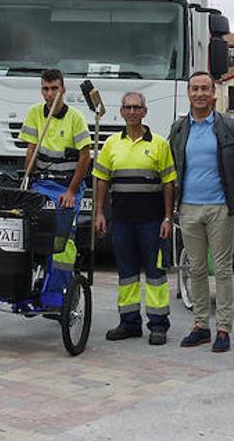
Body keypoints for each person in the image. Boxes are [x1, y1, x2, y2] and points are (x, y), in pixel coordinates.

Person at [168, 71, 234, 353]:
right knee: (197, 269)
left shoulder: (229, 126)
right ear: (189, 93)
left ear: (214, 93)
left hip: (221, 207)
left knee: (223, 270)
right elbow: (172, 167)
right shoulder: (179, 129)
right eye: (195, 89)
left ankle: (224, 328)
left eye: (205, 88)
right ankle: (201, 325)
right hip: (188, 207)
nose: (200, 93)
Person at [93, 92, 177, 344]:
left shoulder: (160, 143)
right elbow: (101, 180)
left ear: (145, 111)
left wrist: (167, 218)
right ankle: (129, 323)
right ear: (121, 112)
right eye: (127, 107)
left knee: (155, 274)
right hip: (122, 221)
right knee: (127, 274)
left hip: (152, 222)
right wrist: (99, 213)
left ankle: (158, 325)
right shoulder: (111, 144)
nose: (132, 112)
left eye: (136, 107)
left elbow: (169, 184)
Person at [19, 69, 92, 209]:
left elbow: (85, 157)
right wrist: (27, 184)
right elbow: (31, 151)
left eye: (54, 88)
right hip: (42, 182)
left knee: (63, 226)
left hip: (68, 184)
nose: (50, 94)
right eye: (45, 89)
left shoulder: (76, 117)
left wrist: (70, 192)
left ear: (63, 90)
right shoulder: (34, 113)